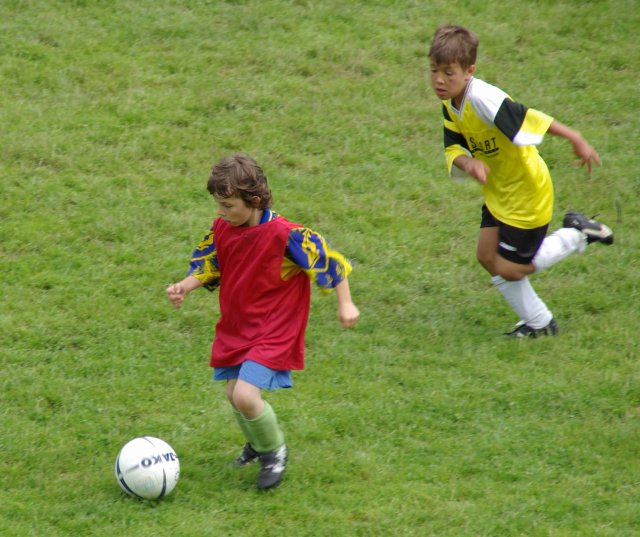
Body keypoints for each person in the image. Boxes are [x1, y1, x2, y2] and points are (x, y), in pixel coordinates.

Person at [166, 154, 360, 490]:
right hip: (238, 326)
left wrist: (346, 303)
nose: (220, 212)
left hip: (274, 330)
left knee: (244, 394)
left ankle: (274, 452)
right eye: (218, 205)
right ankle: (257, 443)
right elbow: (210, 264)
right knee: (233, 394)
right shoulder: (222, 228)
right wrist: (185, 286)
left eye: (228, 205)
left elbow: (330, 262)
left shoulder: (286, 236)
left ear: (254, 201)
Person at [427, 25, 614, 338]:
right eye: (434, 70)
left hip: (527, 194)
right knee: (486, 256)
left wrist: (575, 137)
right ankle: (540, 324)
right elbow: (453, 147)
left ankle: (575, 235)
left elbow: (529, 119)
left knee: (511, 269)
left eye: (448, 73)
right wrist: (468, 162)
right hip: (499, 191)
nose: (439, 80)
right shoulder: (450, 102)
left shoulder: (483, 99)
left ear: (469, 71)